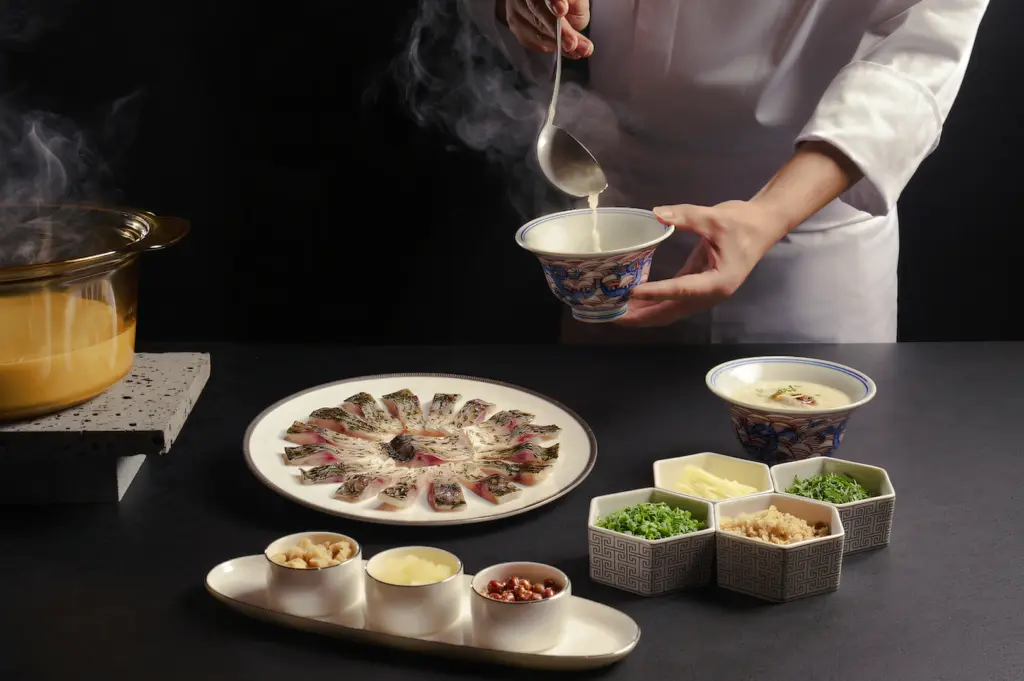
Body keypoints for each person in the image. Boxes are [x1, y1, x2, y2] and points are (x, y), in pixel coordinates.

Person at [464, 0, 990, 344]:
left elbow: (920, 53)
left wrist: (771, 213)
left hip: (810, 242)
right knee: (597, 479)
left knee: (806, 497)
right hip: (620, 232)